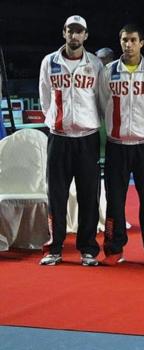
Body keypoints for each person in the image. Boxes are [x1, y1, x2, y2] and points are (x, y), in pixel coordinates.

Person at [38, 15, 104, 266]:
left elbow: (101, 99)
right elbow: (44, 95)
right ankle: (55, 248)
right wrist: (55, 120)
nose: (74, 36)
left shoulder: (95, 64)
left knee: (89, 195)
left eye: (79, 32)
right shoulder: (49, 62)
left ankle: (87, 249)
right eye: (70, 31)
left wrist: (87, 121)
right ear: (63, 33)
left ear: (86, 35)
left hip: (87, 139)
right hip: (59, 138)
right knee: (56, 195)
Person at [98, 24, 144, 266]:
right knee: (114, 200)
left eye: (133, 40)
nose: (128, 44)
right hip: (117, 145)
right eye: (124, 40)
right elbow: (101, 104)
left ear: (141, 43)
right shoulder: (107, 73)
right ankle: (114, 249)